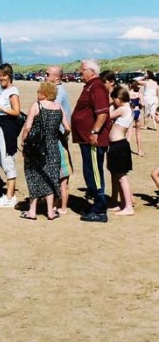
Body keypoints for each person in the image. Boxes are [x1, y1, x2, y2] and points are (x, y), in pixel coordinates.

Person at [20, 81, 71, 221]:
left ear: (44, 93)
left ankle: (32, 211)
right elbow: (67, 128)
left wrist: (23, 142)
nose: (37, 93)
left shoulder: (37, 106)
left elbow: (27, 127)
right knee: (51, 178)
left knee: (33, 176)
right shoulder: (59, 107)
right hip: (53, 147)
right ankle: (50, 211)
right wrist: (60, 137)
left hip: (36, 147)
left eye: (39, 91)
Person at [71, 59, 110, 222]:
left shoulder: (97, 86)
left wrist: (94, 132)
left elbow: (102, 113)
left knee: (94, 173)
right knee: (89, 172)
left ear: (92, 71)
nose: (81, 72)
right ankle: (95, 204)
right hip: (86, 139)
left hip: (93, 140)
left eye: (83, 69)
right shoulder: (90, 86)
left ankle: (100, 209)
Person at [0, 63, 21, 208]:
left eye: (3, 75)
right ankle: (10, 194)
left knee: (7, 160)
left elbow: (16, 111)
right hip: (1, 126)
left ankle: (9, 196)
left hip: (7, 128)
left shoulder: (12, 91)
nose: (1, 78)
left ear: (9, 76)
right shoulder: (4, 91)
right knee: (4, 159)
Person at [45, 65, 72, 214]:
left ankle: (59, 206)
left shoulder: (58, 93)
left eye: (48, 74)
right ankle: (56, 204)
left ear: (57, 77)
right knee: (59, 175)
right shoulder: (60, 91)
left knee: (59, 175)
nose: (45, 76)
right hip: (60, 136)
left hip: (57, 138)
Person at [107, 86, 134, 216]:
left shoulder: (124, 109)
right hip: (118, 145)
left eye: (114, 99)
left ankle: (129, 206)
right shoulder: (128, 109)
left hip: (119, 145)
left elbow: (107, 115)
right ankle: (123, 204)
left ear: (119, 98)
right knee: (119, 176)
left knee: (122, 178)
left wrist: (111, 104)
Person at [127, 80, 144, 156]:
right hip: (138, 111)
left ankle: (126, 151)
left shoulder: (128, 93)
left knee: (129, 133)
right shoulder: (139, 93)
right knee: (138, 132)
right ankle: (139, 150)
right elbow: (143, 104)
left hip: (131, 112)